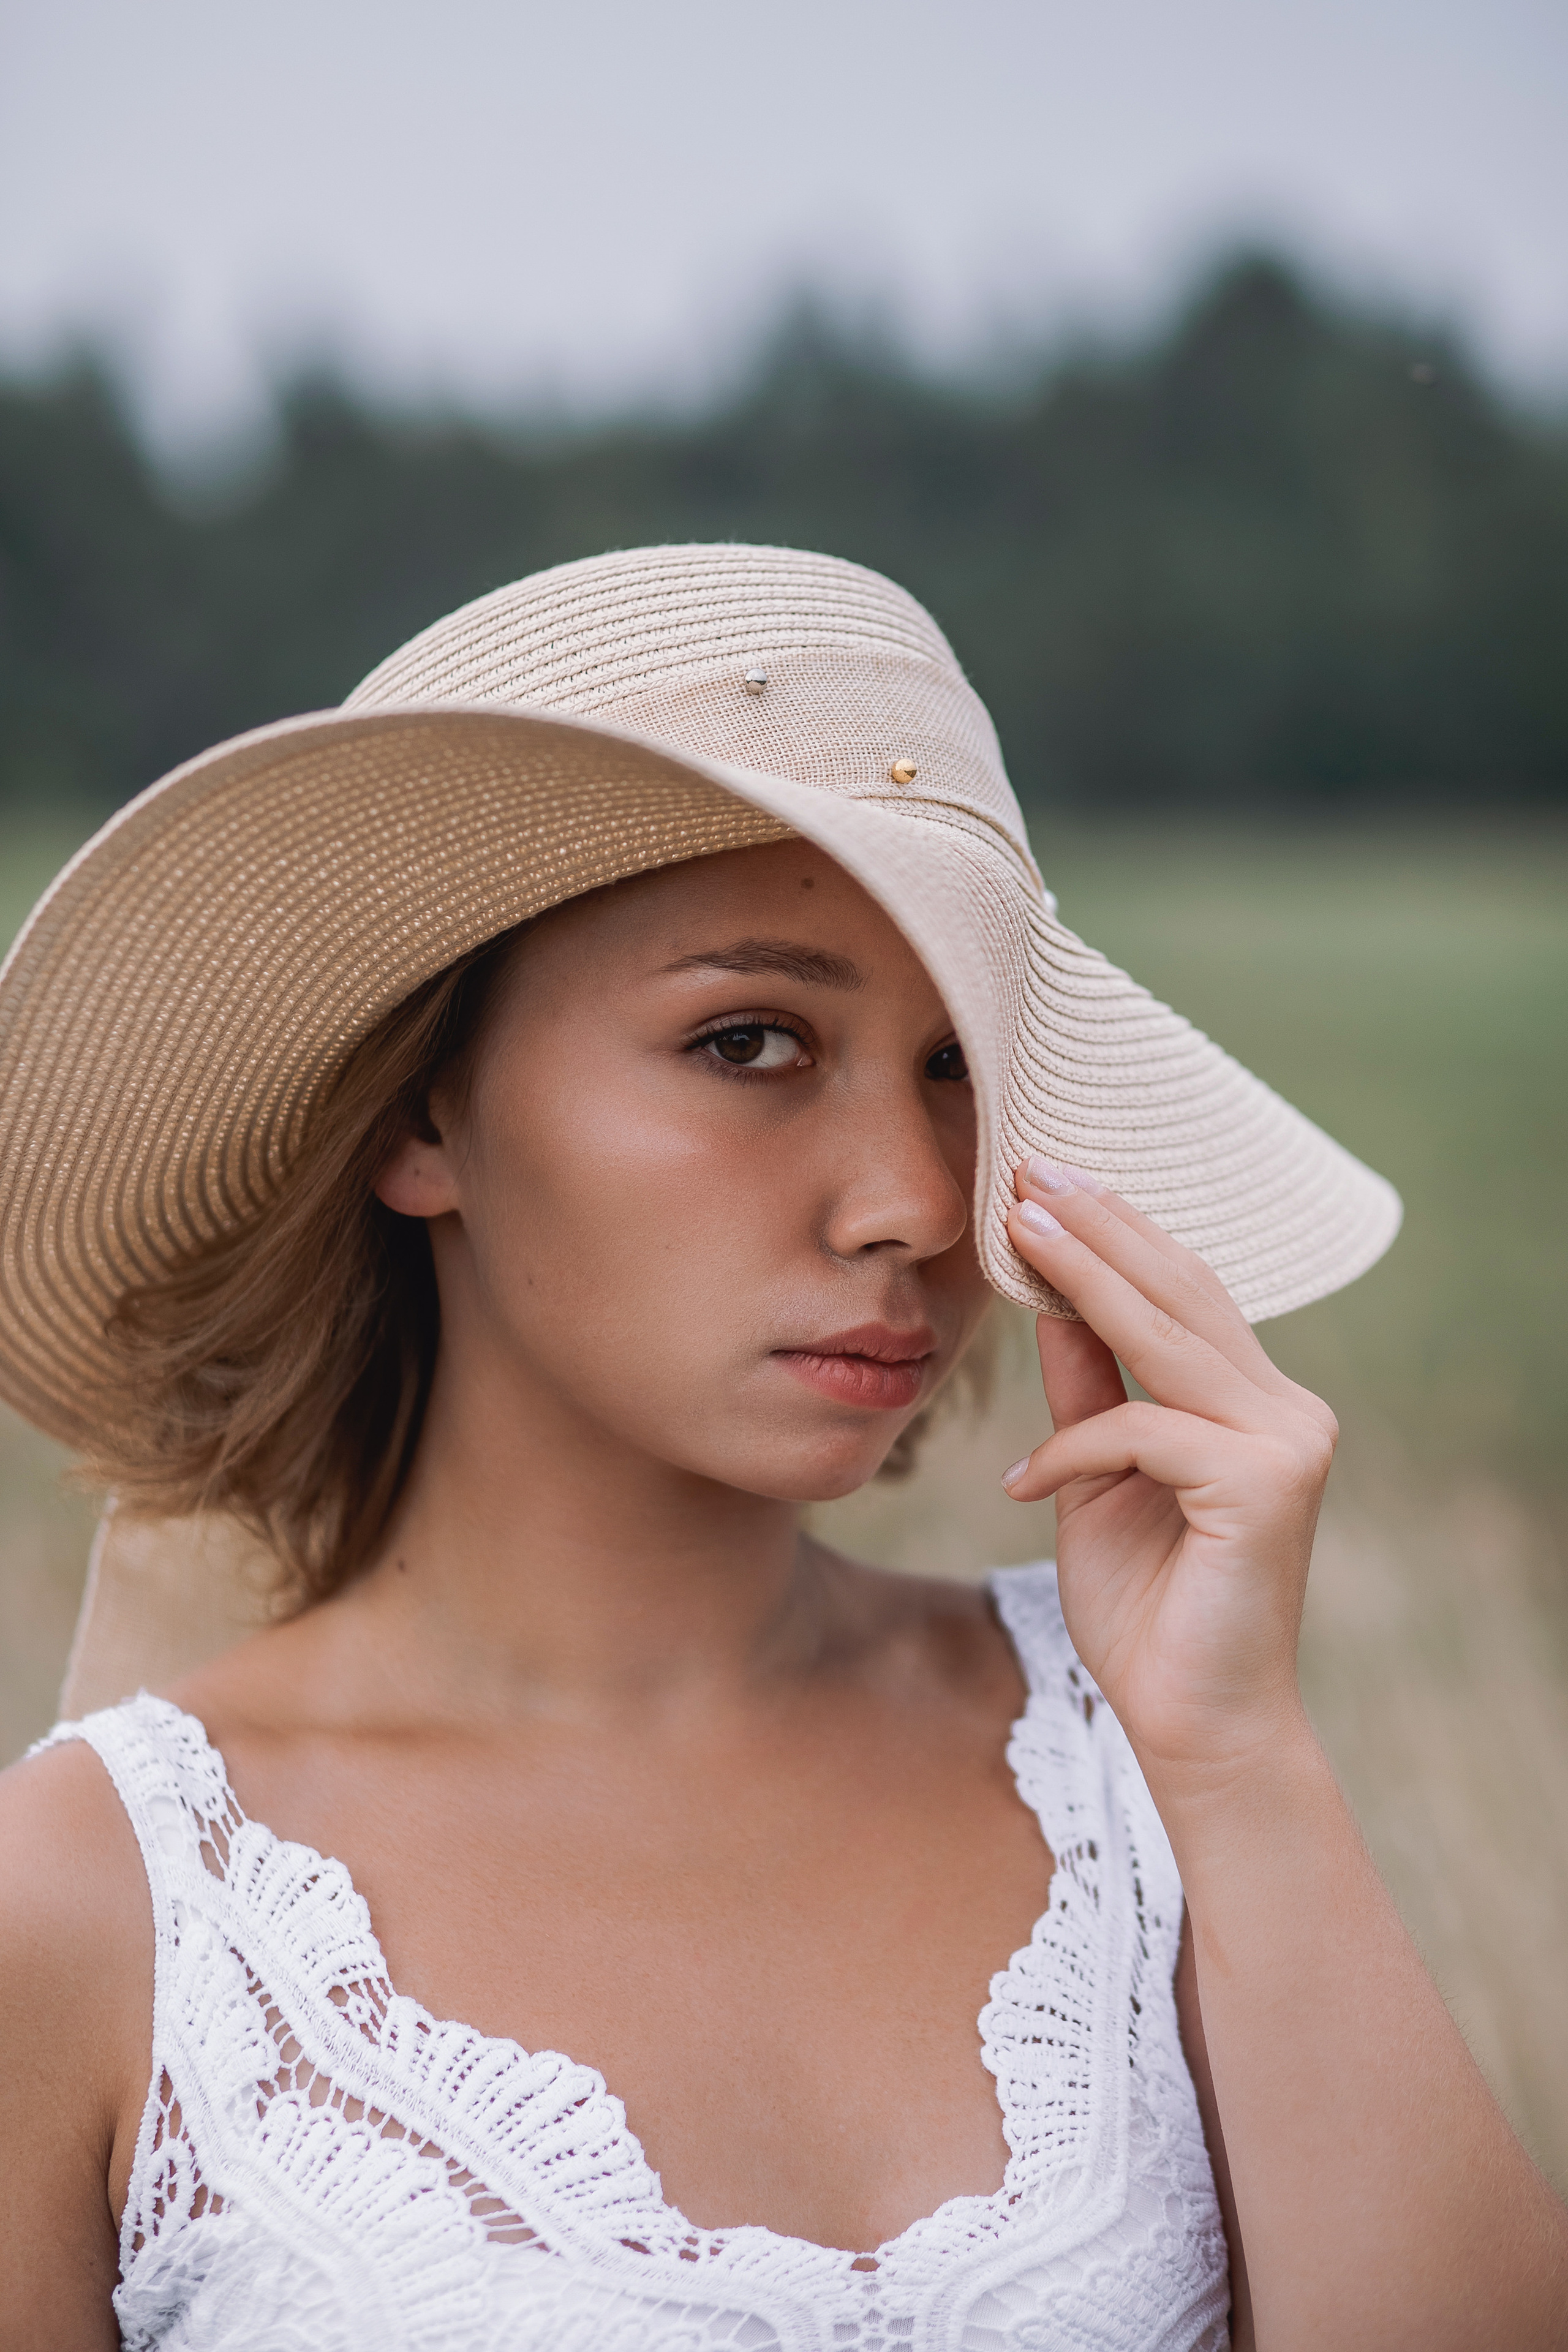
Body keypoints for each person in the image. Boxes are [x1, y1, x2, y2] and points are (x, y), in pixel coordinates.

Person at [0, 544, 1561, 2352]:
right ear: (421, 1112)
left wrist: (1237, 1758)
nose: (913, 1201)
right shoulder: (87, 1900)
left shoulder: (1144, 1766)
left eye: (957, 1067)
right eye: (750, 1040)